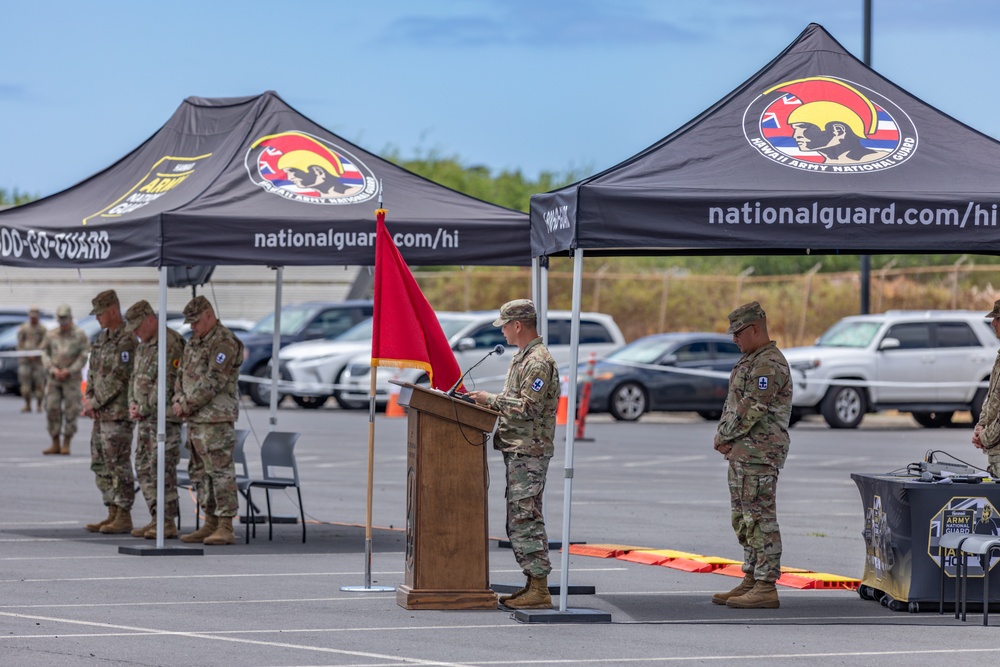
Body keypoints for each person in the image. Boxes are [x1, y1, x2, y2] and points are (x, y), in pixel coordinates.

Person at [467, 299, 559, 610]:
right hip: (519, 449)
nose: (503, 331)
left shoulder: (537, 362)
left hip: (530, 451)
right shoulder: (523, 357)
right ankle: (533, 584)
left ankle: (540, 588)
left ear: (517, 325)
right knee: (519, 517)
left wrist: (490, 400)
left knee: (525, 518)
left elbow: (528, 407)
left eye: (505, 325)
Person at [711, 301, 792, 610]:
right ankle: (752, 578)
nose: (734, 339)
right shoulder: (751, 360)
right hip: (744, 454)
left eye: (738, 333)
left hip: (759, 454)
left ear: (755, 329)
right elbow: (733, 405)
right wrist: (726, 437)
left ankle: (766, 586)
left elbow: (751, 410)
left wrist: (723, 436)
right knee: (744, 520)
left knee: (760, 518)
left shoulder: (768, 364)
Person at [172, 295, 244, 546]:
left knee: (220, 472)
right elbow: (181, 375)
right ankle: (210, 521)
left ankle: (225, 525)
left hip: (216, 419)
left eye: (196, 321)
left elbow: (214, 380)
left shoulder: (224, 342)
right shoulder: (194, 341)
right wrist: (178, 399)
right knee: (200, 472)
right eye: (190, 323)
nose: (192, 327)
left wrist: (186, 404)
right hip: (196, 418)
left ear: (209, 315)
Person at [125, 300, 186, 540]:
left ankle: (167, 521)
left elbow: (166, 384)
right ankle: (156, 517)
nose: (136, 333)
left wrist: (143, 407)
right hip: (145, 419)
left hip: (164, 420)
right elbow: (134, 378)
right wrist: (133, 404)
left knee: (161, 469)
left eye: (138, 327)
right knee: (143, 468)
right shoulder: (144, 346)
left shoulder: (170, 343)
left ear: (150, 319)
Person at [82, 290, 137, 534]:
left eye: (100, 313)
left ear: (113, 311)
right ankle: (112, 510)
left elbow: (119, 377)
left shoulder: (126, 340)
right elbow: (93, 372)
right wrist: (89, 399)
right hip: (101, 413)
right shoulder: (102, 338)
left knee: (118, 464)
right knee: (100, 463)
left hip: (118, 414)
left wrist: (94, 403)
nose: (97, 318)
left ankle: (123, 514)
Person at [40, 305, 89, 456]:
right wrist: (52, 369)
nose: (63, 323)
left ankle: (66, 442)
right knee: (52, 408)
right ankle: (55, 442)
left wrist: (70, 370)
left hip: (71, 378)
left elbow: (84, 354)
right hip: (54, 378)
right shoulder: (51, 334)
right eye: (60, 319)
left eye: (65, 319)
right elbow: (44, 352)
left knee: (71, 410)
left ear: (70, 318)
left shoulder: (79, 334)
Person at [974, 300, 1000, 475]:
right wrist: (981, 425)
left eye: (997, 318)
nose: (993, 323)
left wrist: (984, 437)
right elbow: (992, 398)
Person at [16, 306, 47, 413]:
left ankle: (39, 405)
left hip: (38, 361)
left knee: (39, 384)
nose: (33, 319)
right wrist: (25, 353)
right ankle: (27, 404)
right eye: (31, 317)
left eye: (35, 317)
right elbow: (19, 343)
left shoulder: (42, 329)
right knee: (25, 385)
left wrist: (37, 352)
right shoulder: (24, 328)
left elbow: (45, 343)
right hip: (25, 361)